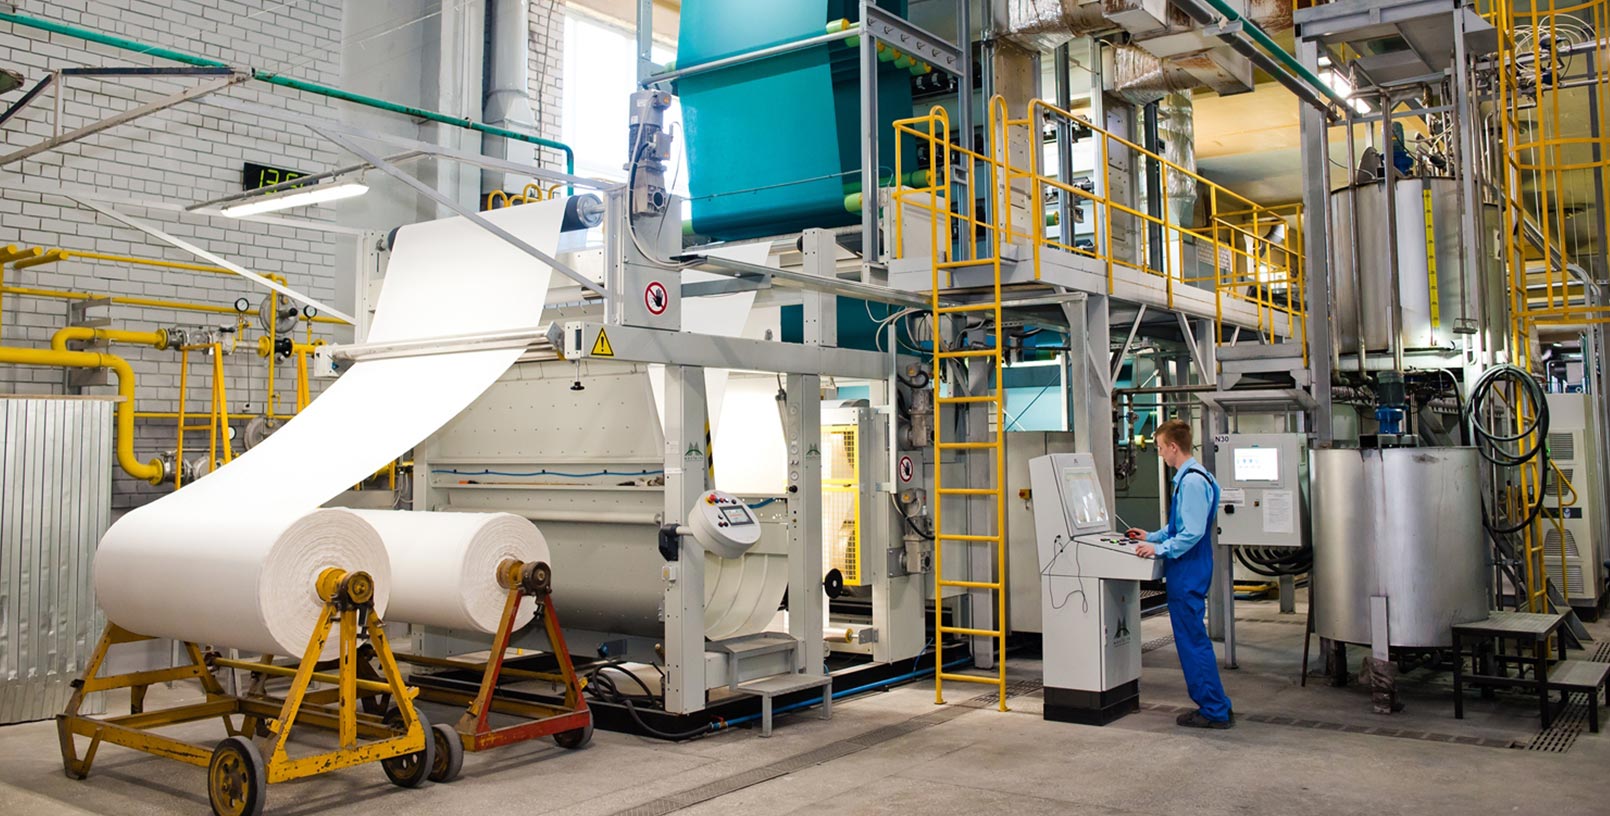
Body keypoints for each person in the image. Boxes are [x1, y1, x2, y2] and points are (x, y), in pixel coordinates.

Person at [1125, 419, 1234, 729]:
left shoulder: (1192, 482)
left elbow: (1192, 533)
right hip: (1191, 565)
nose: (1160, 454)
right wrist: (1151, 536)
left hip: (1187, 569)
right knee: (1193, 638)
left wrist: (1159, 549)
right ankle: (1217, 704)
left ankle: (1213, 710)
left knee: (1192, 641)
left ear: (1174, 447)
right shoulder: (1198, 476)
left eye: (1161, 448)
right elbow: (1180, 526)